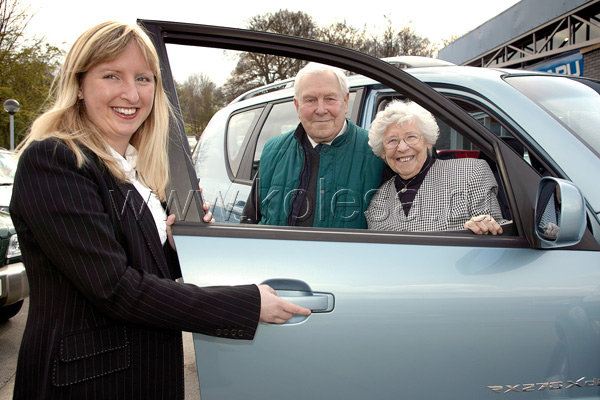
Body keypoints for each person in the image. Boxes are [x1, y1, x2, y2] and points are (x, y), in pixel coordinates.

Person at [9, 21, 309, 399]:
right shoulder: (55, 160)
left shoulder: (133, 168)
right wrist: (246, 303)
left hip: (141, 374)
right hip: (89, 383)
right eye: (112, 75)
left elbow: (143, 268)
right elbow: (115, 288)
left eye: (144, 78)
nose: (131, 93)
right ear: (79, 85)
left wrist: (174, 245)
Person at [241, 62, 384, 228]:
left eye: (330, 99)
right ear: (297, 106)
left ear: (345, 102)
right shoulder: (273, 151)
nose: (321, 109)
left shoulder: (377, 152)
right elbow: (248, 223)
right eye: (310, 100)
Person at [365, 100, 506, 234]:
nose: (402, 147)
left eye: (411, 137)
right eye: (392, 140)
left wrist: (482, 227)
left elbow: (499, 231)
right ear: (383, 152)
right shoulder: (378, 199)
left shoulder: (470, 172)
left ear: (428, 141)